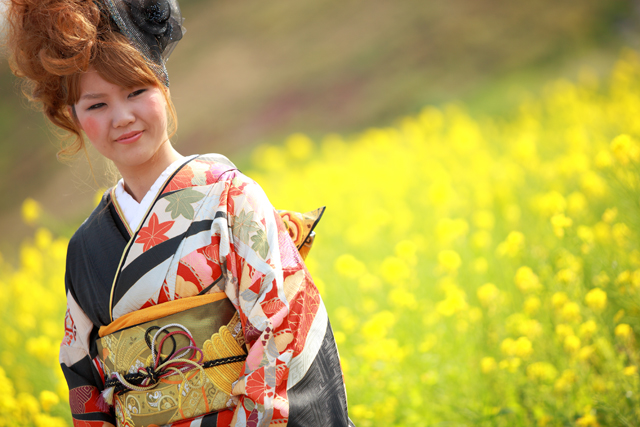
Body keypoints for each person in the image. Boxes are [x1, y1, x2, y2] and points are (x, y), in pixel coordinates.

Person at [5, 0, 353, 426]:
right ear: (73, 116)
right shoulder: (85, 250)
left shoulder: (231, 198)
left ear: (163, 86)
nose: (122, 117)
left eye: (136, 92)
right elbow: (84, 380)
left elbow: (281, 335)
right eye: (96, 105)